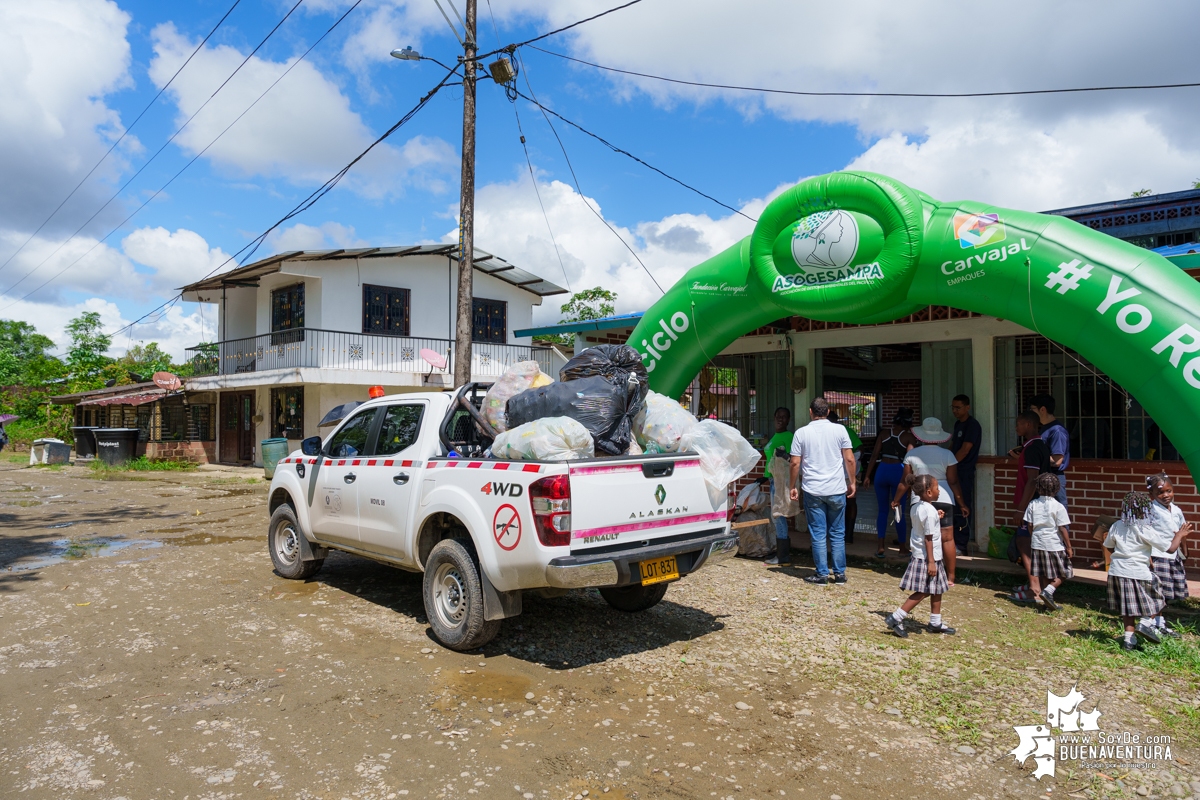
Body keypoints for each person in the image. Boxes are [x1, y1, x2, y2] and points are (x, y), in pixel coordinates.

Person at [1104, 491, 1190, 651]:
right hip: (1138, 573)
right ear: (1145, 510)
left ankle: (1129, 641)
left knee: (1128, 608)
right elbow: (1171, 549)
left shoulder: (1117, 525)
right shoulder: (1145, 528)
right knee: (1159, 597)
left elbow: (1108, 545)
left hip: (1117, 572)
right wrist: (1180, 535)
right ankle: (1145, 624)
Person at [890, 417, 969, 585]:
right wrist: (962, 504)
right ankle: (951, 577)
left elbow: (906, 481)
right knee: (947, 538)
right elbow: (953, 481)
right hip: (945, 497)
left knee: (921, 535)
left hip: (919, 500)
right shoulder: (947, 455)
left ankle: (922, 571)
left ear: (920, 436)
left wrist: (896, 499)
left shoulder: (912, 454)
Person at [789, 397, 856, 585]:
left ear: (810, 412)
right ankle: (840, 574)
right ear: (827, 412)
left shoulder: (801, 433)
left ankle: (821, 574)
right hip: (836, 488)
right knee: (837, 532)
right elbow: (849, 459)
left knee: (818, 533)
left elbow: (795, 462)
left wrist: (792, 485)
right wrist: (852, 482)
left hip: (813, 489)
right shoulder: (840, 430)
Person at [885, 474, 955, 638]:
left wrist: (936, 517)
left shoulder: (917, 507)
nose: (939, 491)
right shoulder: (929, 512)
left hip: (922, 554)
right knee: (923, 591)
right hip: (928, 557)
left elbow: (922, 524)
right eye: (937, 488)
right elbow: (928, 538)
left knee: (936, 589)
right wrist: (931, 562)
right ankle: (896, 617)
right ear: (929, 492)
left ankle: (935, 621)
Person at [1008, 411, 1055, 602]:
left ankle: (1034, 588)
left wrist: (1021, 508)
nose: (1016, 428)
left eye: (1018, 424)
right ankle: (1039, 585)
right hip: (1034, 503)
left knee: (1024, 543)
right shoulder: (1036, 446)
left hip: (1031, 504)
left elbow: (1032, 480)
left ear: (1028, 424)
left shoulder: (1033, 448)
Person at [863, 408, 916, 557]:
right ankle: (902, 548)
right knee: (898, 510)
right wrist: (910, 484)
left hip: (882, 470)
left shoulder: (884, 433)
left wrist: (867, 476)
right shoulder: (908, 437)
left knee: (882, 511)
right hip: (898, 472)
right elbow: (911, 461)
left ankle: (880, 546)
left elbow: (874, 455)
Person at [1146, 472, 1192, 635]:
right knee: (1158, 593)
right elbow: (1145, 533)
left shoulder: (1177, 510)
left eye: (1169, 491)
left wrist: (1184, 552)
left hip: (1174, 556)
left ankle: (1159, 623)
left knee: (1165, 594)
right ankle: (1150, 624)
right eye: (1160, 492)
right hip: (1158, 556)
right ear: (1151, 494)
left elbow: (1182, 531)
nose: (1166, 495)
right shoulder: (1150, 510)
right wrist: (1148, 556)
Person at [1025, 473, 1074, 611]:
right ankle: (1049, 591)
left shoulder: (1032, 504)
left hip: (1037, 543)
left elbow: (1029, 524)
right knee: (1066, 571)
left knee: (1046, 573)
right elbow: (1062, 528)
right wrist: (1069, 547)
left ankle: (1048, 602)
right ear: (1057, 489)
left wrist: (1034, 536)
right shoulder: (1058, 506)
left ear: (1038, 489)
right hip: (1053, 544)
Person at [762, 407, 795, 566]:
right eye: (778, 416)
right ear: (774, 417)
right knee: (777, 516)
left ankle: (783, 557)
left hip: (780, 482)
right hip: (772, 479)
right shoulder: (776, 435)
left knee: (778, 516)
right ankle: (782, 555)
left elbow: (793, 460)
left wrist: (784, 455)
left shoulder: (788, 436)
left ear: (788, 420)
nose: (781, 419)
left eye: (784, 417)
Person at [950, 395, 982, 556]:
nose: (955, 411)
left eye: (958, 407)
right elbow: (953, 446)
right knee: (953, 506)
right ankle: (952, 541)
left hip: (964, 471)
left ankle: (961, 544)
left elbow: (965, 449)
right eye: (953, 407)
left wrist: (951, 464)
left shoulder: (972, 425)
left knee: (963, 506)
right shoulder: (958, 424)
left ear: (967, 407)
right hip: (954, 470)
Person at [1029, 394, 1069, 509]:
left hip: (1053, 479)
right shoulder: (1045, 428)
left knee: (1058, 517)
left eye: (1033, 409)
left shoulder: (1057, 431)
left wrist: (1036, 456)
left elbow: (1057, 461)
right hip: (1043, 477)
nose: (1031, 413)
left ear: (1042, 409)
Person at [828, 408, 862, 544]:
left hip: (848, 473)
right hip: (833, 473)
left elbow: (860, 449)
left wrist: (854, 464)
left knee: (850, 501)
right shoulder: (824, 432)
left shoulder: (845, 431)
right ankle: (838, 534)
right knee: (835, 503)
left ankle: (849, 534)